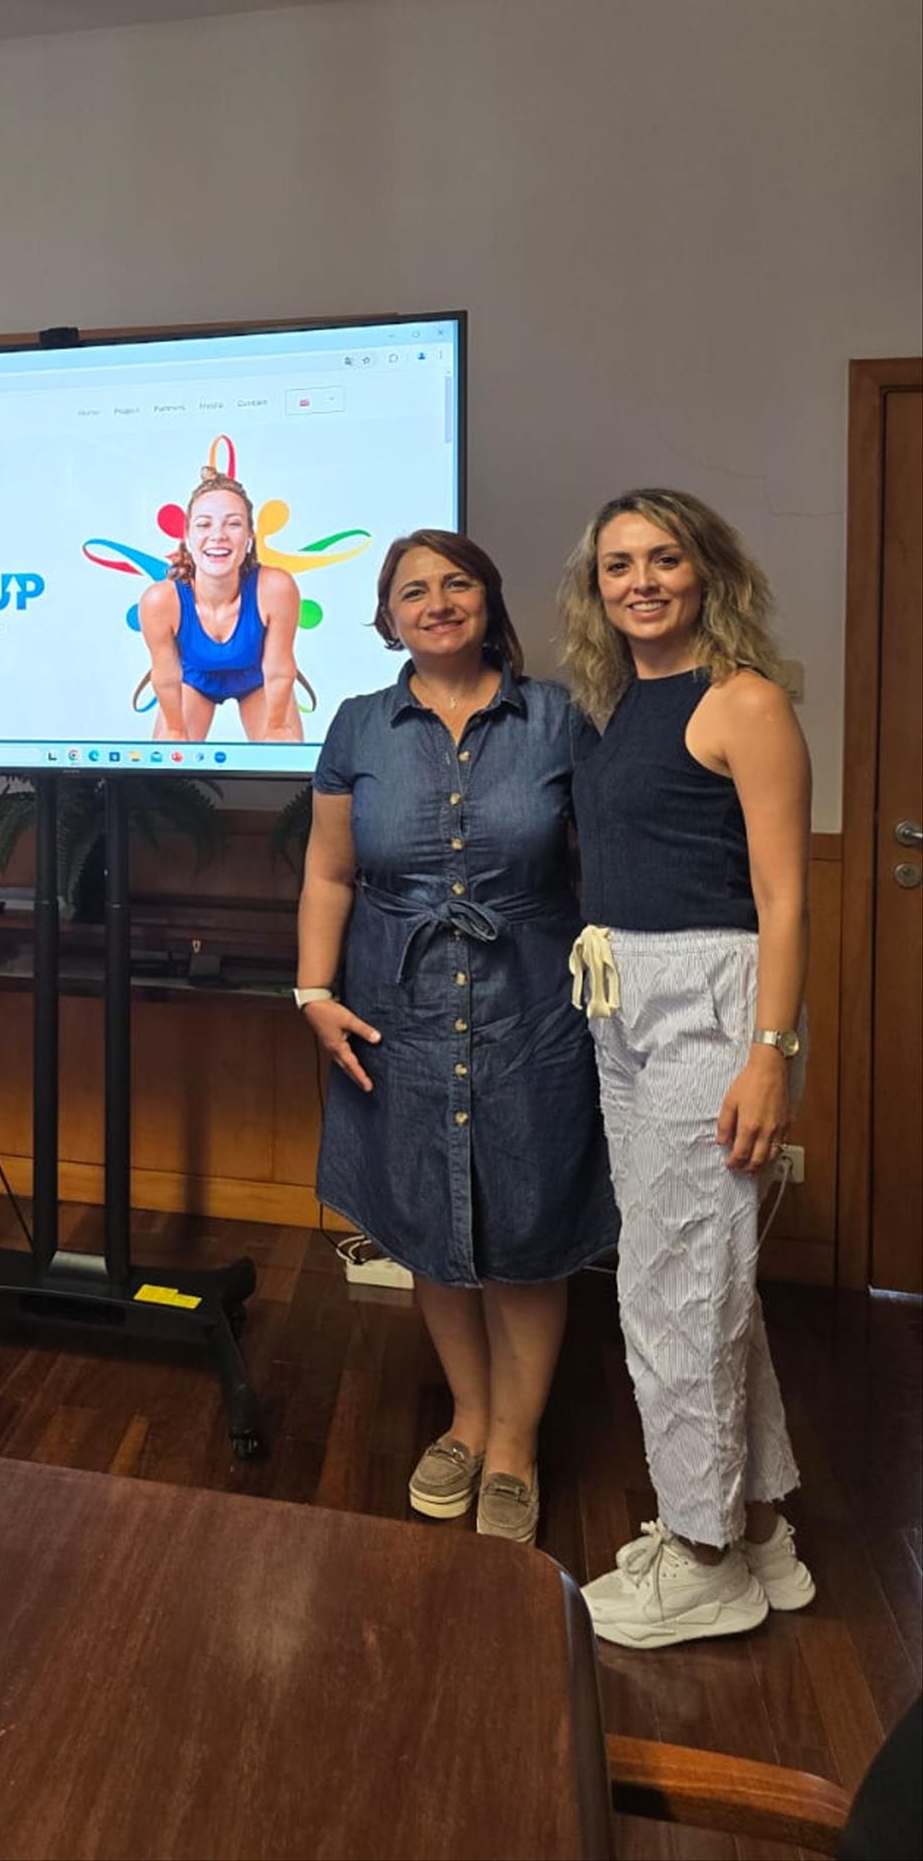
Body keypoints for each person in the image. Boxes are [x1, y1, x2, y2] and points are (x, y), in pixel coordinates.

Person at [296, 530, 614, 1543]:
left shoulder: (558, 718)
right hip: (397, 1009)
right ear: (387, 617)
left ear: (488, 600)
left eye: (456, 583)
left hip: (535, 1008)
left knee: (528, 1226)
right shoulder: (357, 725)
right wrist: (312, 991)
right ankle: (468, 1419)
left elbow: (605, 866)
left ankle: (515, 1444)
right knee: (428, 1217)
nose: (435, 602)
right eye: (412, 591)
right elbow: (327, 874)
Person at [561, 487, 814, 1648]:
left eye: (662, 559)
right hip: (622, 998)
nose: (640, 582)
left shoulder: (741, 699)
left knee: (672, 1290)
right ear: (596, 586)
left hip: (711, 1005)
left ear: (705, 569)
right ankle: (749, 1528)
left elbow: (783, 897)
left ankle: (700, 1559)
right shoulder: (615, 700)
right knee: (702, 1281)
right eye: (617, 565)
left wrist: (767, 1055)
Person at [139, 469, 303, 741]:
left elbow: (278, 668)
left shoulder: (276, 588)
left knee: (282, 748)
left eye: (233, 524)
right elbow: (166, 677)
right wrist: (175, 732)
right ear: (187, 536)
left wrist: (277, 730)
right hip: (194, 678)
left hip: (258, 678)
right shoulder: (160, 601)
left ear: (250, 535)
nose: (218, 535)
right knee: (171, 750)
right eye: (204, 525)